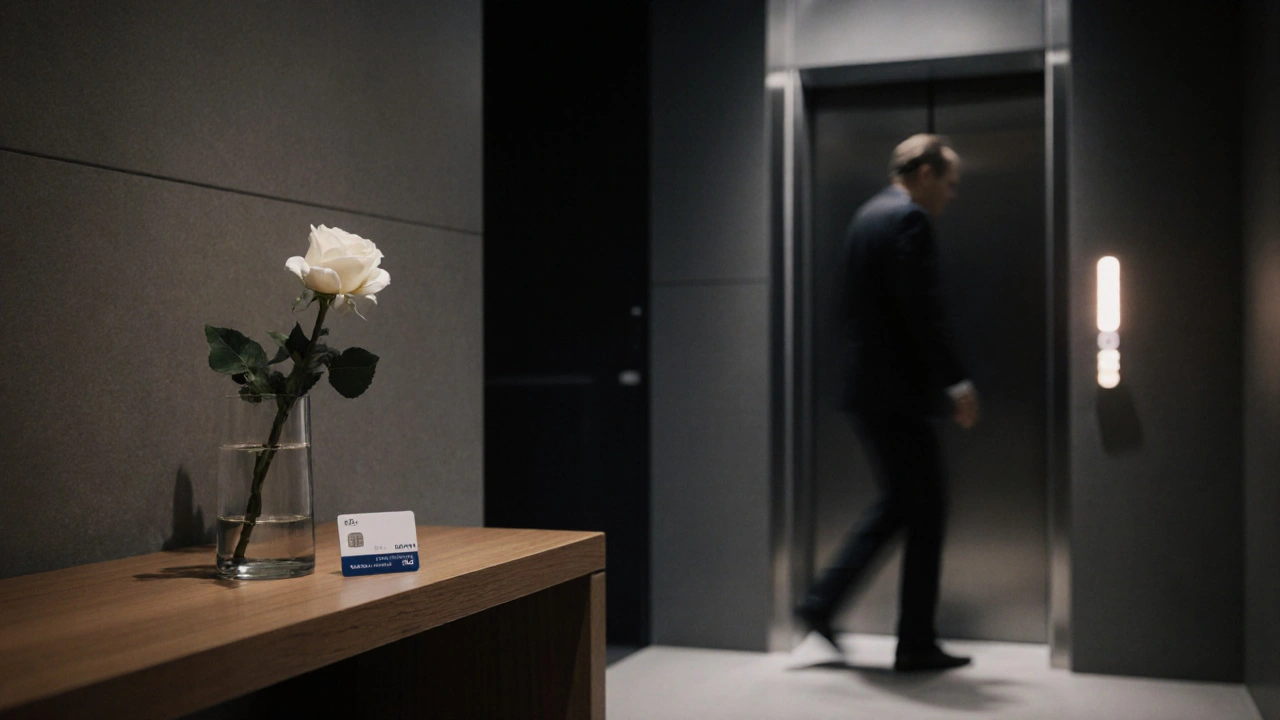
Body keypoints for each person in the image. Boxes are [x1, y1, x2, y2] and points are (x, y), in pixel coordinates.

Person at [795, 134, 980, 673]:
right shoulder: (908, 219)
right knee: (925, 511)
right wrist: (956, 383)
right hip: (896, 394)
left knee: (901, 504)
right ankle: (914, 643)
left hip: (868, 390)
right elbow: (922, 310)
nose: (951, 195)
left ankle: (823, 602)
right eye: (949, 183)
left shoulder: (866, 216)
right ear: (924, 173)